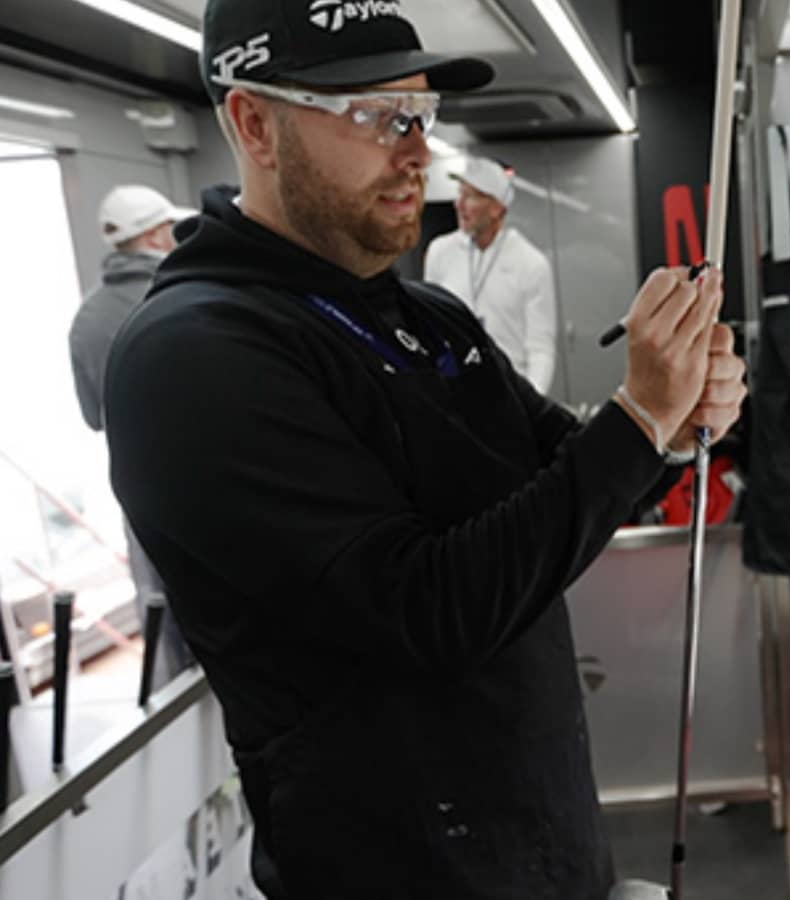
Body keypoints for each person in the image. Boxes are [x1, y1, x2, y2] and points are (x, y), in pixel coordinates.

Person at [102, 1, 745, 897]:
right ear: (254, 122)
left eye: (422, 117)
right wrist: (637, 421)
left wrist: (668, 430)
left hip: (545, 854)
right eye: (375, 116)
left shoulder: (424, 312)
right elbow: (423, 608)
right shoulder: (194, 355)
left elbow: (564, 464)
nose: (418, 152)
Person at [67, 184, 195, 688]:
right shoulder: (182, 297)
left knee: (162, 614)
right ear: (158, 234)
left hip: (137, 493)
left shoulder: (86, 319)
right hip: (205, 485)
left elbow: (92, 417)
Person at [424, 156, 559, 392]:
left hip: (510, 392)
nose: (459, 204)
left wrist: (534, 406)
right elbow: (429, 328)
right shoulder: (440, 252)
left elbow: (540, 348)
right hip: (456, 391)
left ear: (497, 207)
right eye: (459, 193)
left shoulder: (530, 263)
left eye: (471, 196)